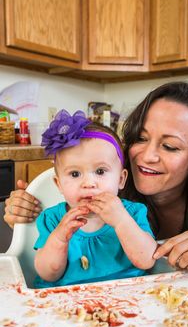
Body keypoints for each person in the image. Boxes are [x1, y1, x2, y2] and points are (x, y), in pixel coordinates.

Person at [4, 82, 188, 273]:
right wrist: (25, 215)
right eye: (140, 138)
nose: (147, 156)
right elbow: (45, 246)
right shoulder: (101, 189)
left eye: (170, 146)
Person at [32, 110, 157, 288]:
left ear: (121, 179)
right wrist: (59, 239)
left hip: (127, 295)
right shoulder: (52, 219)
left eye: (100, 171)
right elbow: (48, 274)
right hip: (65, 301)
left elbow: (147, 260)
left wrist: (121, 222)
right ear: (59, 184)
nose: (89, 183)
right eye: (75, 174)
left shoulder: (133, 213)